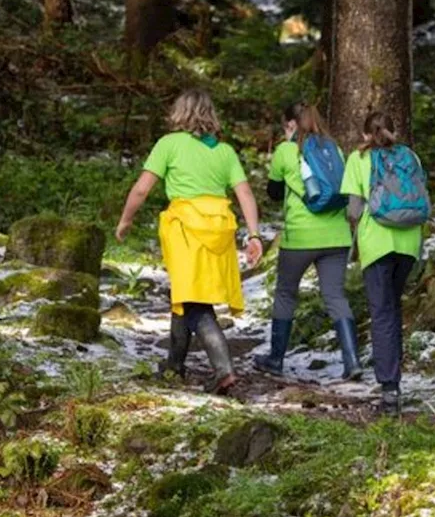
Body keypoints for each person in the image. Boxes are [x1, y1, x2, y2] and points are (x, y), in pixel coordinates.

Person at [115, 89, 263, 395]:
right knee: (184, 296)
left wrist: (126, 220)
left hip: (186, 230)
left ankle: (224, 371)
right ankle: (174, 366)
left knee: (195, 303)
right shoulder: (224, 152)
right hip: (220, 229)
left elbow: (142, 189)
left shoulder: (169, 144)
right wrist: (253, 234)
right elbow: (245, 194)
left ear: (179, 113)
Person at [255, 102, 362, 381]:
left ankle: (275, 359)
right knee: (335, 296)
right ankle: (352, 362)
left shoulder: (286, 151)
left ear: (291, 124)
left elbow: (274, 192)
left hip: (300, 238)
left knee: (286, 293)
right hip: (337, 236)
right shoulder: (334, 148)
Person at [340, 112, 426, 414]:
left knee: (382, 314)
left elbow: (353, 209)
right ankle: (394, 380)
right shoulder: (410, 156)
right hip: (408, 243)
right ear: (394, 130)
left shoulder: (358, 159)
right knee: (393, 308)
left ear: (366, 135)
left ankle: (390, 389)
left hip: (377, 243)